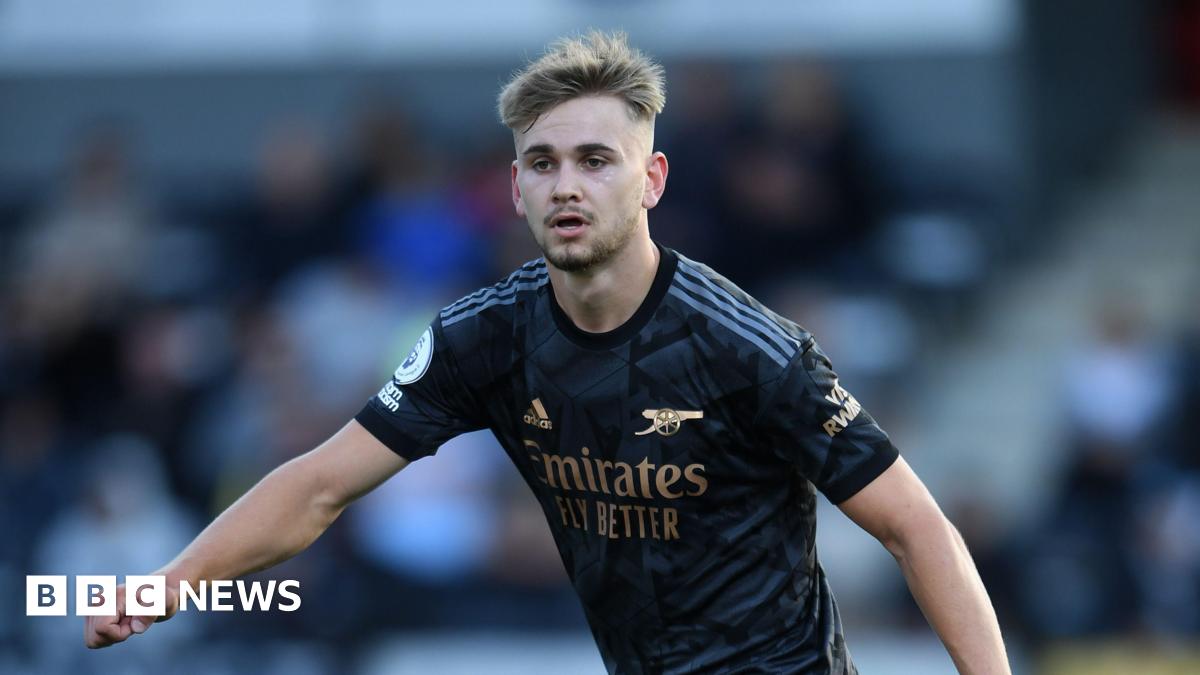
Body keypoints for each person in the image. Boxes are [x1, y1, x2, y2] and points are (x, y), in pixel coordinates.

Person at [85, 31, 1010, 674]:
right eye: (542, 162)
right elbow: (320, 483)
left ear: (651, 180)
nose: (567, 184)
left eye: (596, 160)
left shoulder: (746, 347)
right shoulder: (484, 337)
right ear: (515, 189)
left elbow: (915, 525)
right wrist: (173, 583)